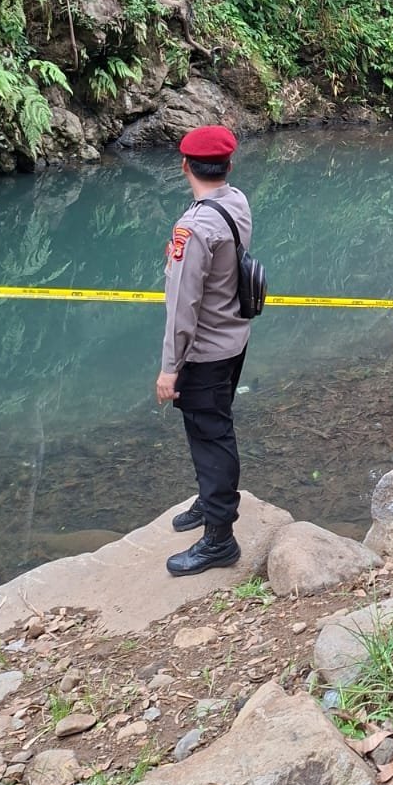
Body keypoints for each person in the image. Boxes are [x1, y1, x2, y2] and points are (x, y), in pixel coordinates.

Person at [156, 124, 253, 575]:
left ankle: (219, 539)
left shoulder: (192, 228)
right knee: (212, 431)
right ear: (229, 166)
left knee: (211, 438)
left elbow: (182, 307)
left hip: (205, 353)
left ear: (184, 167)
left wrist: (169, 369)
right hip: (234, 340)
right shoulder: (236, 202)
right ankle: (210, 500)